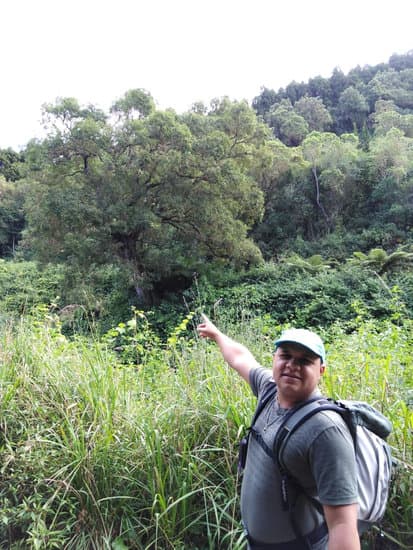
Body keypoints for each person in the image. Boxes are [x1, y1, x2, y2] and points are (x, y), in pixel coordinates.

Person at [197, 314, 360, 550]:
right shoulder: (269, 390)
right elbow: (241, 357)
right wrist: (217, 334)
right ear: (274, 359)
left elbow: (343, 526)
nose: (292, 365)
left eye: (305, 361)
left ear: (321, 370)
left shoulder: (326, 430)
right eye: (285, 356)